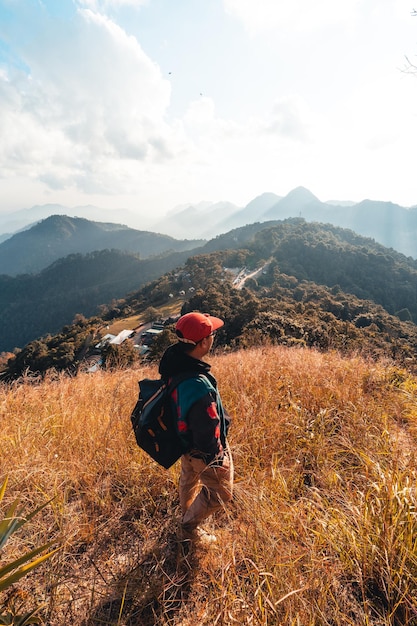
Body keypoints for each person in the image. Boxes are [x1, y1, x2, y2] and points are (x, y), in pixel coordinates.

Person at [158, 311, 234, 542]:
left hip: (184, 442)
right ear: (202, 343)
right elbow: (206, 426)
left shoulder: (174, 363)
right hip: (202, 449)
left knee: (188, 479)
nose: (213, 337)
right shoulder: (198, 386)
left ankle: (186, 511)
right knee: (221, 494)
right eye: (211, 334)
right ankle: (187, 527)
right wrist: (217, 459)